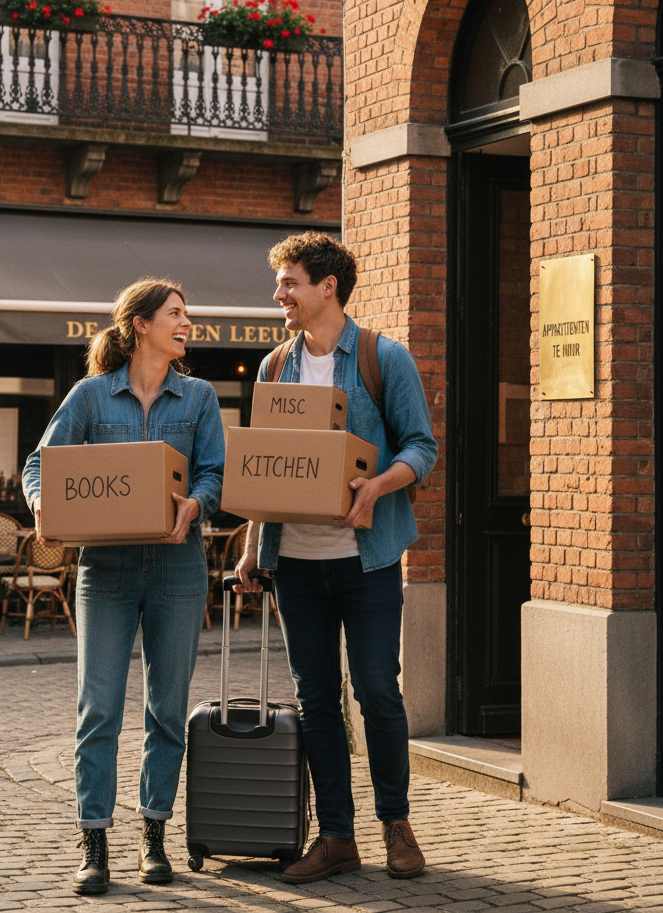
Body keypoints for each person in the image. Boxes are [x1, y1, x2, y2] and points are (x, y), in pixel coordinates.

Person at [235, 231, 437, 883]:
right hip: (295, 561)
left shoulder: (384, 358)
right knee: (318, 699)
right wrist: (250, 547)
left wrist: (378, 484)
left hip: (367, 559)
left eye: (289, 282)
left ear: (327, 286)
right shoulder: (273, 368)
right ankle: (337, 836)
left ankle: (397, 824)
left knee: (378, 690)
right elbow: (265, 467)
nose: (279, 294)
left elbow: (422, 448)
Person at [21, 277, 225, 896]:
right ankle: (94, 842)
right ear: (140, 325)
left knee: (166, 709)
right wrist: (43, 508)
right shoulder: (89, 397)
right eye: (176, 314)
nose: (187, 324)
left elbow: (215, 472)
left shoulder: (199, 398)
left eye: (187, 315)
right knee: (98, 709)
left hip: (178, 568)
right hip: (104, 570)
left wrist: (195, 505)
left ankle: (153, 833)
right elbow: (40, 465)